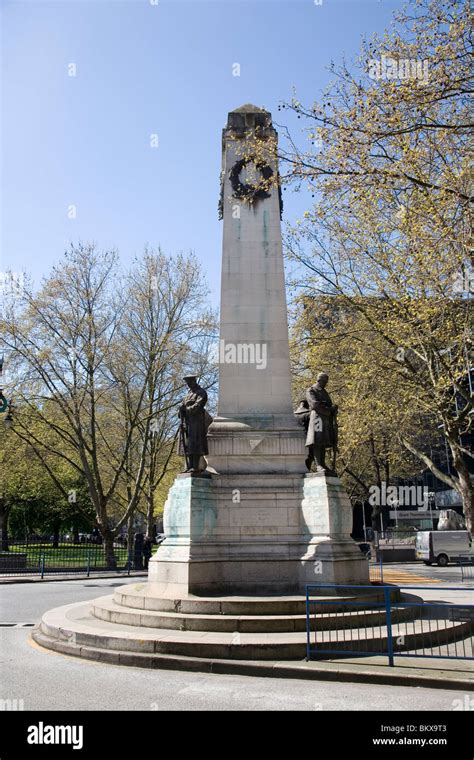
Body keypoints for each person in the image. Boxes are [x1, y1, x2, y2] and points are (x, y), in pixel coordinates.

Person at [305, 372, 338, 474]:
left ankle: (323, 464)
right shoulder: (311, 390)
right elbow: (315, 404)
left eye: (326, 382)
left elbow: (328, 404)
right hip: (317, 418)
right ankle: (318, 465)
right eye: (324, 382)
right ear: (319, 380)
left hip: (326, 419)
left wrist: (333, 409)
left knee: (324, 442)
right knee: (317, 441)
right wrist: (329, 410)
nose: (325, 384)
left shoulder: (324, 392)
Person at [178, 375, 212, 474]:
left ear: (194, 381)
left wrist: (186, 409)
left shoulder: (201, 393)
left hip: (197, 423)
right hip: (187, 423)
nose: (188, 385)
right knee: (187, 445)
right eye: (187, 383)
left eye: (189, 382)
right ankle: (189, 466)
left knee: (195, 445)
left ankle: (195, 466)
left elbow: (198, 406)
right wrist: (180, 410)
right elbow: (182, 409)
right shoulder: (187, 395)